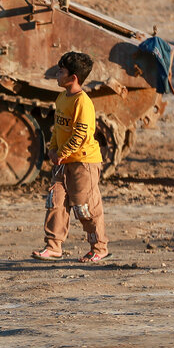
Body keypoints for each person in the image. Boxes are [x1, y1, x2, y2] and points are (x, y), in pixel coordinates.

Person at [32, 51, 109, 263]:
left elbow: (81, 135)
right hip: (62, 162)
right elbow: (58, 128)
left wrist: (62, 153)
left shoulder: (82, 102)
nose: (57, 74)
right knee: (55, 202)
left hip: (83, 162)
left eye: (61, 71)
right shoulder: (61, 97)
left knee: (86, 206)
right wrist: (52, 149)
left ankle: (99, 247)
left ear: (73, 77)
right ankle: (53, 246)